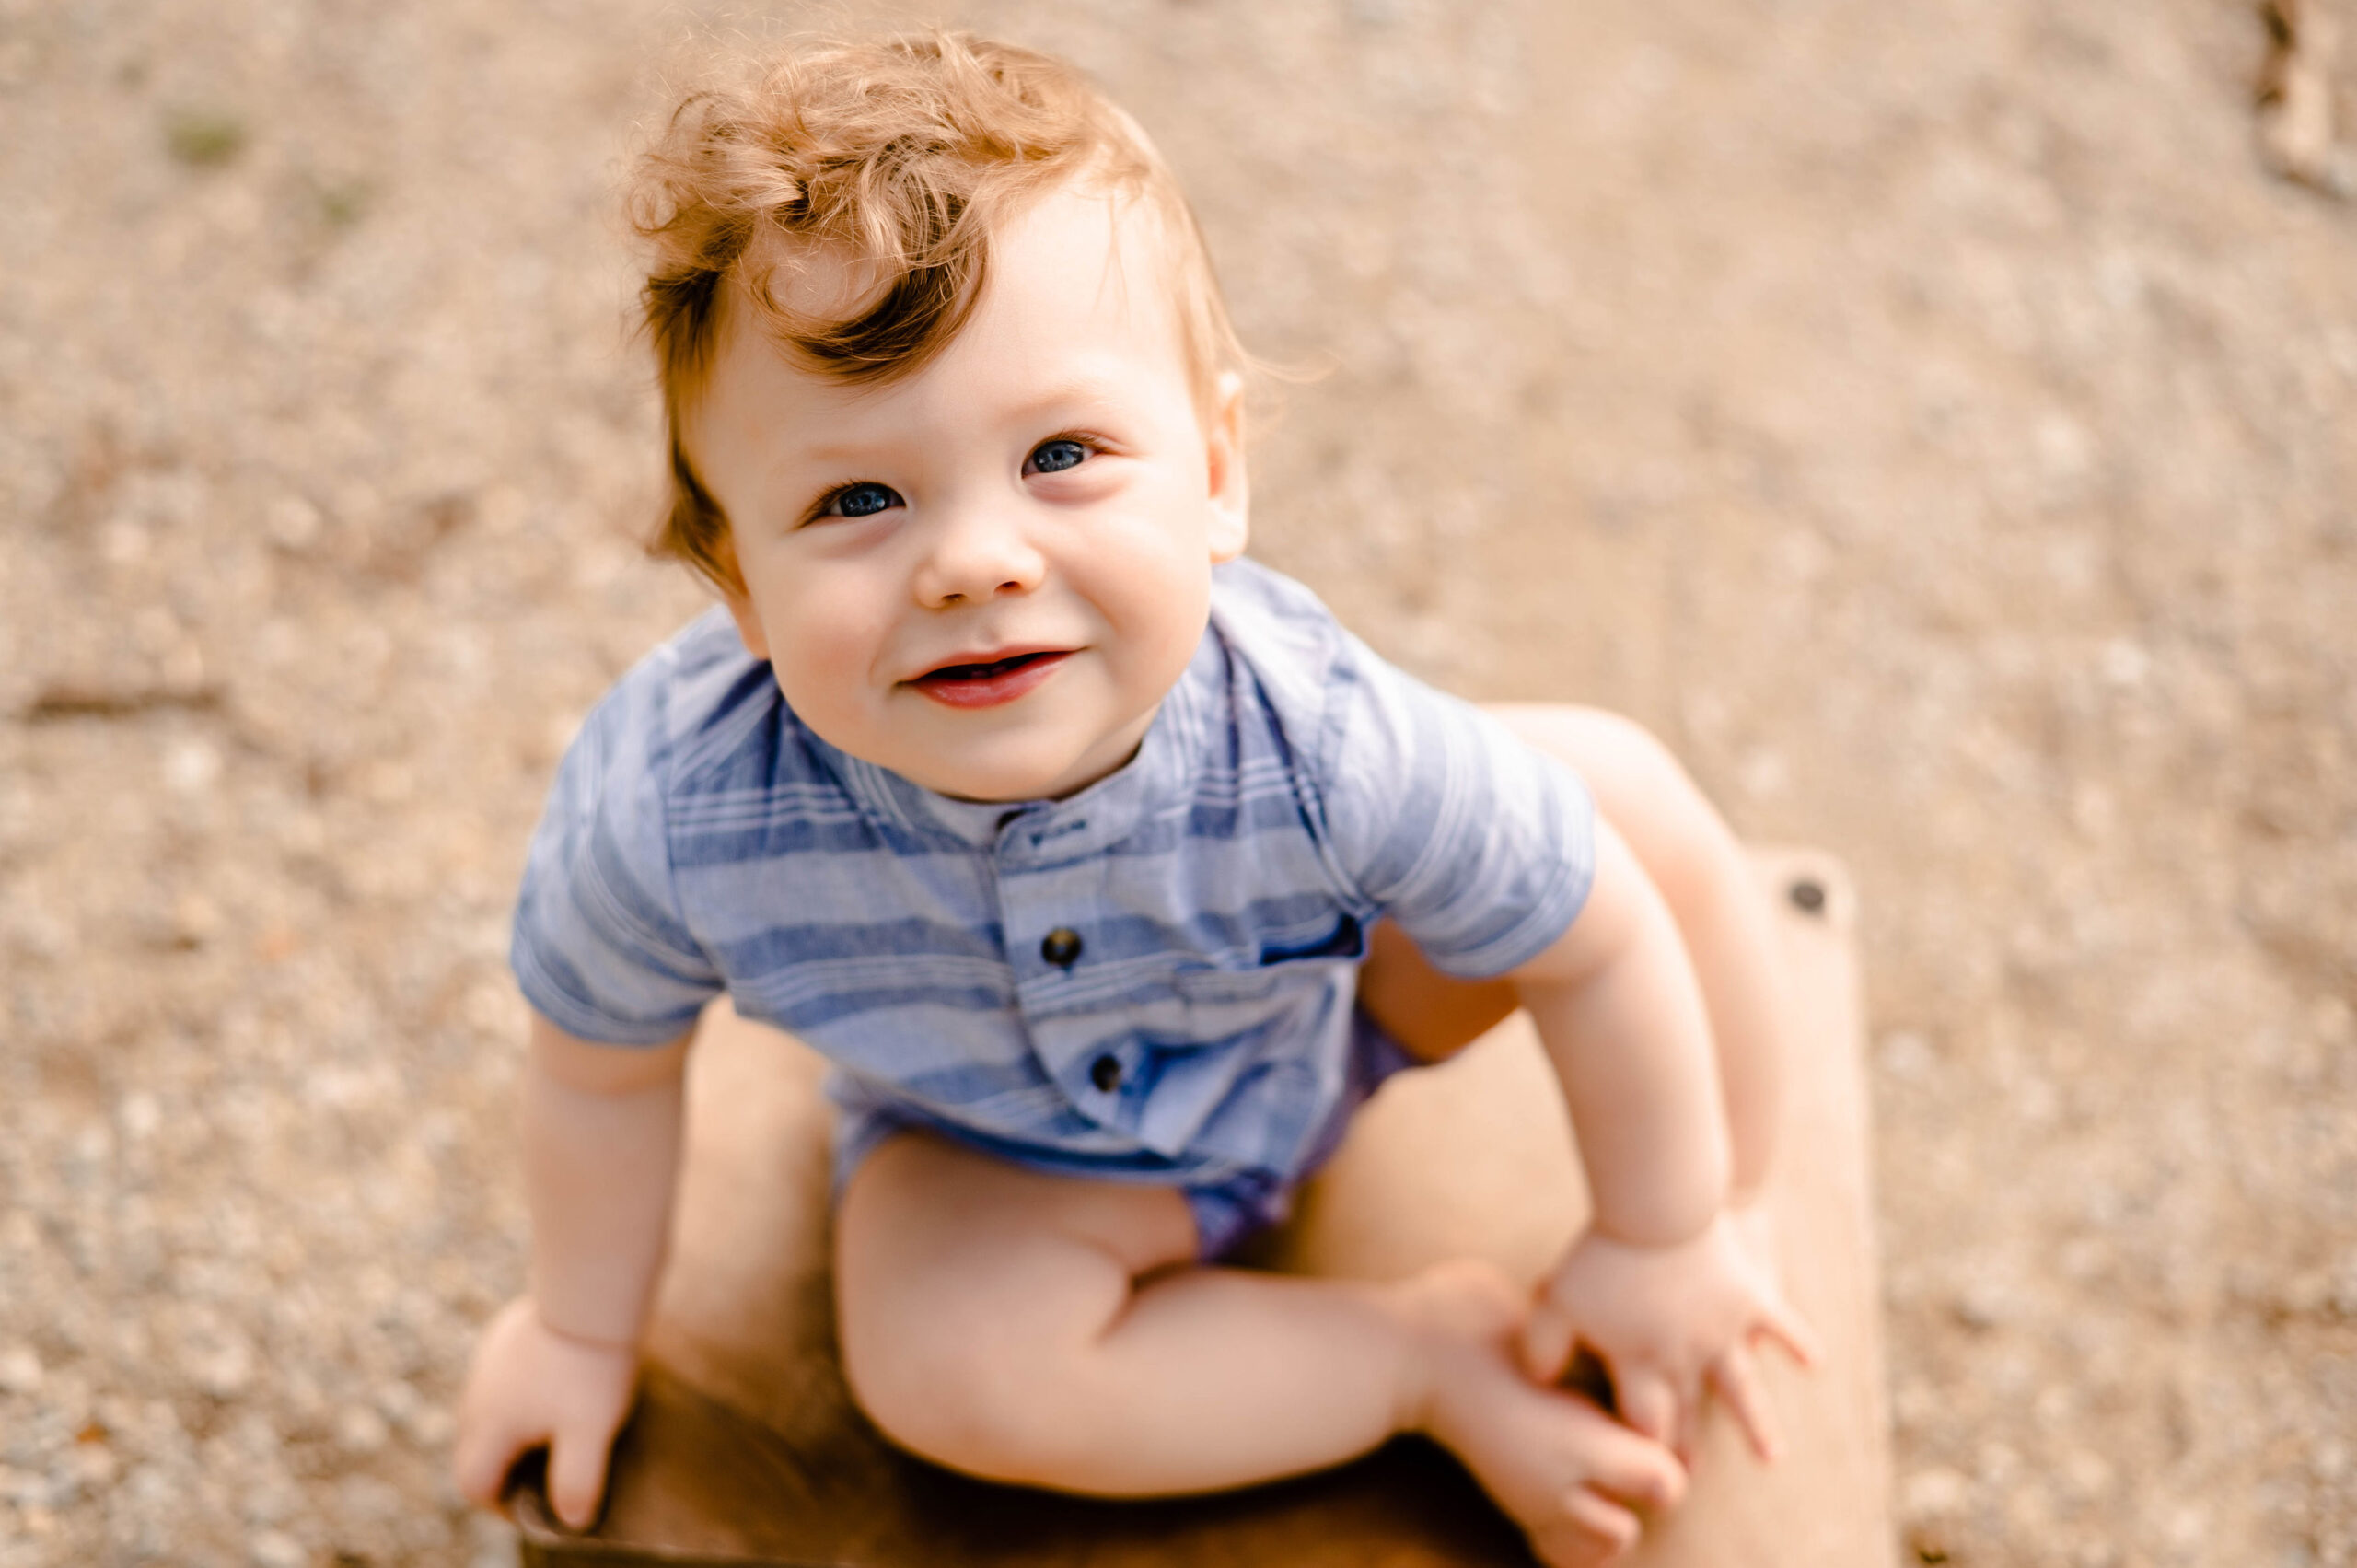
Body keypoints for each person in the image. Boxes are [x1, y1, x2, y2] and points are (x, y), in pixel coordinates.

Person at [452, 30, 1814, 1567]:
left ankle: (1729, 1219)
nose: (976, 560)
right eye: (856, 501)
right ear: (738, 585)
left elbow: (1597, 946)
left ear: (1216, 471)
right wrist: (576, 1329)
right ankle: (1418, 1367)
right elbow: (598, 1074)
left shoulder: (1322, 741)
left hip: (1339, 1013)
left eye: (1061, 454)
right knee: (946, 1371)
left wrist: (1661, 1226)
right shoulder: (674, 815)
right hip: (1004, 1154)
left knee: (1612, 815)